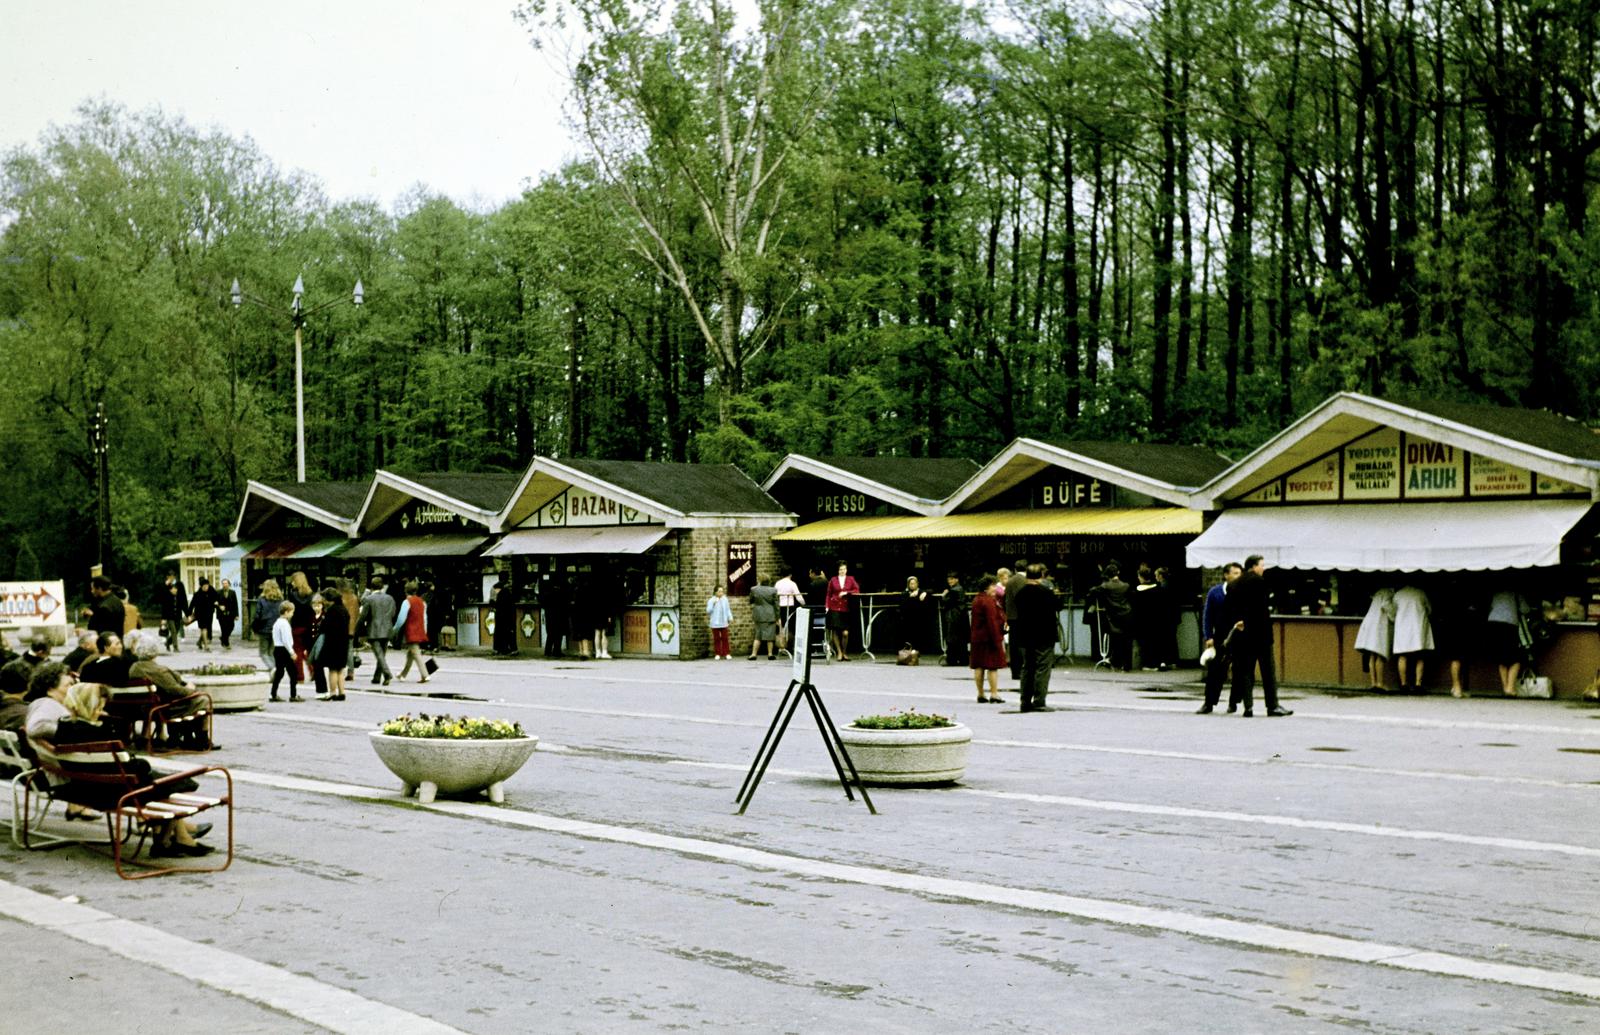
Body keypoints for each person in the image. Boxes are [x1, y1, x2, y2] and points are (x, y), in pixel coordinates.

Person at [46, 681, 214, 856]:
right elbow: (136, 766)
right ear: (88, 705)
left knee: (167, 782)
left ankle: (175, 839)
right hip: (117, 793)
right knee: (177, 783)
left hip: (88, 788)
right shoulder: (96, 733)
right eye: (98, 707)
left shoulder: (64, 728)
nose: (100, 711)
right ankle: (169, 841)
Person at [23, 663, 101, 821]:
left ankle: (76, 806)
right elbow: (34, 728)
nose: (72, 688)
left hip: (55, 770)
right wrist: (69, 731)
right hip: (59, 776)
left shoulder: (51, 705)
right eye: (68, 685)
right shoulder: (47, 705)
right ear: (50, 689)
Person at [1228, 554, 1292, 717]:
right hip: (1261, 635)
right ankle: (1272, 705)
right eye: (1261, 565)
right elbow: (1263, 610)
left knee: (1246, 672)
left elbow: (1229, 610)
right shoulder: (1260, 583)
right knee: (1268, 672)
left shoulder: (1234, 585)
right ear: (1253, 567)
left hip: (1244, 635)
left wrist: (1240, 622)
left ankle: (1248, 707)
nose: (1263, 568)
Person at [1010, 564, 1058, 712]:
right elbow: (1058, 606)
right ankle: (1039, 701)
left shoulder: (1020, 593)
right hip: (1044, 635)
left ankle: (1025, 701)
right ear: (1041, 576)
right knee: (1043, 668)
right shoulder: (1046, 592)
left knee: (1027, 667)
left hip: (1024, 635)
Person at [1196, 563, 1242, 714]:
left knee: (1239, 670)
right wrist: (1208, 636)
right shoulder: (1215, 593)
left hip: (1239, 634)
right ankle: (1209, 702)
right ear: (1226, 575)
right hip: (1221, 635)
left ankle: (1233, 702)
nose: (1237, 576)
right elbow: (1207, 615)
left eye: (1239, 573)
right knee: (1216, 670)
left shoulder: (1243, 592)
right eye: (1234, 573)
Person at [1485, 588, 1532, 697]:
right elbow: (1525, 610)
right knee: (1516, 658)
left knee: (1502, 658)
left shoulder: (1496, 592)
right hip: (1509, 625)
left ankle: (1505, 687)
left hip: (1492, 624)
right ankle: (1510, 688)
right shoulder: (1516, 593)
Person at [969, 575, 1007, 704]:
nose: (996, 588)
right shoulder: (989, 601)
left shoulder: (977, 599)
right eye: (993, 585)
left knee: (979, 666)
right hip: (989, 638)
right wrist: (997, 639)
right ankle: (994, 693)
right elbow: (992, 621)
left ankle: (980, 694)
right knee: (992, 667)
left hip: (977, 637)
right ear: (987, 587)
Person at [1090, 563, 1133, 671]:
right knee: (1127, 640)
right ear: (1118, 573)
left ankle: (1116, 661)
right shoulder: (1126, 586)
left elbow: (1092, 591)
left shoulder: (1106, 586)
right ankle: (1127, 665)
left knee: (1116, 639)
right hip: (1127, 613)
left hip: (1114, 615)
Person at [1391, 585, 1433, 690]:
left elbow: (1393, 612)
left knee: (1402, 656)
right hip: (1418, 628)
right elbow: (1429, 609)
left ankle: (1403, 684)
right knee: (1420, 656)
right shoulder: (1421, 593)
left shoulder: (1398, 594)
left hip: (1402, 629)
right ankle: (1418, 684)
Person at [1354, 587, 1396, 691]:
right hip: (1379, 625)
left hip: (1370, 623)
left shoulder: (1377, 593)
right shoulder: (1388, 592)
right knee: (1380, 655)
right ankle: (1380, 684)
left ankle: (1373, 683)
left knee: (1372, 655)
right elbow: (1386, 605)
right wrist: (1394, 615)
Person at [359, 575, 397, 685]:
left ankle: (387, 673)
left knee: (379, 654)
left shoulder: (368, 599)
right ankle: (377, 677)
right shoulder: (390, 598)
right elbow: (393, 613)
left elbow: (363, 616)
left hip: (374, 629)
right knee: (382, 655)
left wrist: (358, 629)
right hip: (387, 628)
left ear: (371, 587)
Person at [315, 588, 351, 701]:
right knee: (341, 669)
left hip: (333, 642)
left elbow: (324, 627)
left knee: (333, 670)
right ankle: (342, 692)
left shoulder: (332, 611)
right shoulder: (344, 610)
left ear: (329, 599)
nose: (323, 602)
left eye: (324, 599)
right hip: (344, 642)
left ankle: (332, 692)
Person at [394, 582, 431, 683]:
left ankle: (425, 675)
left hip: (411, 630)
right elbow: (425, 618)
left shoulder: (406, 602)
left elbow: (401, 619)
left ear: (405, 591)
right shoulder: (423, 602)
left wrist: (395, 629)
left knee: (415, 653)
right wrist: (425, 630)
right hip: (420, 629)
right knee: (410, 654)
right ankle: (403, 674)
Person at [825, 562, 860, 661]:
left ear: (846, 570)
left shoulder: (851, 579)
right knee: (835, 631)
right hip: (834, 607)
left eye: (844, 569)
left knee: (845, 633)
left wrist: (846, 592)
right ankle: (839, 653)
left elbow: (857, 590)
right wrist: (827, 606)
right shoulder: (833, 580)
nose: (842, 571)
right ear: (838, 570)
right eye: (840, 569)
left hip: (846, 608)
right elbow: (828, 594)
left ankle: (844, 652)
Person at [268, 601, 301, 702]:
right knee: (293, 673)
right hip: (284, 650)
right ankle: (293, 695)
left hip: (277, 649)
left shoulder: (277, 623)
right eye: (292, 612)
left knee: (279, 673)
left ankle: (273, 694)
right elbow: (286, 640)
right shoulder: (285, 624)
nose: (293, 614)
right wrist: (292, 652)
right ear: (286, 612)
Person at [286, 571, 316, 681]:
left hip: (297, 626)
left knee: (297, 651)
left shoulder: (292, 595)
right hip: (308, 626)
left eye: (293, 581)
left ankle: (300, 676)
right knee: (307, 650)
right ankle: (313, 670)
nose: (292, 583)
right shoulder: (312, 595)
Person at [1003, 560, 1028, 682]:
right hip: (1022, 616)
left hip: (1012, 616)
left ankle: (1015, 671)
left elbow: (1005, 599)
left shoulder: (1010, 581)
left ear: (1015, 569)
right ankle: (1022, 669)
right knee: (1023, 644)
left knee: (1013, 644)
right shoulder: (1025, 581)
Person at [253, 579, 285, 670]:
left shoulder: (262, 600)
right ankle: (275, 669)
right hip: (277, 629)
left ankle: (273, 668)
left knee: (263, 652)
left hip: (264, 629)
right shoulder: (281, 600)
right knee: (271, 652)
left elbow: (257, 615)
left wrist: (255, 628)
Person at [940, 572, 969, 666]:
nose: (950, 581)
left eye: (952, 579)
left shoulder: (953, 590)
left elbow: (947, 602)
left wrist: (943, 596)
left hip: (953, 616)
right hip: (961, 616)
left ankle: (952, 660)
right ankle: (963, 660)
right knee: (961, 640)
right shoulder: (960, 588)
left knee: (952, 639)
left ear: (957, 579)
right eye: (949, 579)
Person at [900, 576, 934, 655]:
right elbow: (902, 605)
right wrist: (910, 597)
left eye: (914, 583)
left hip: (919, 617)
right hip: (908, 618)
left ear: (917, 584)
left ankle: (917, 651)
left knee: (918, 635)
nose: (912, 585)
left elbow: (931, 591)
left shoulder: (921, 591)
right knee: (908, 635)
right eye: (911, 584)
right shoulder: (905, 593)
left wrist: (924, 593)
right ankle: (909, 652)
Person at [747, 576, 779, 660]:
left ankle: (753, 654)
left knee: (758, 635)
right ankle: (770, 654)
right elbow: (776, 605)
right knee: (770, 636)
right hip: (770, 614)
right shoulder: (773, 590)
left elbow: (750, 600)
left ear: (760, 581)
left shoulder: (754, 589)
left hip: (758, 615)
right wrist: (778, 617)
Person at [774, 569, 803, 652]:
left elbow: (775, 595)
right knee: (791, 627)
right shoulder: (792, 584)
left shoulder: (778, 583)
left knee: (781, 626)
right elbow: (798, 596)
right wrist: (804, 604)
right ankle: (790, 646)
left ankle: (781, 645)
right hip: (790, 606)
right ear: (790, 574)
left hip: (780, 606)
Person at [189, 577, 218, 651]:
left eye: (207, 586)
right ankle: (206, 646)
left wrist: (216, 603)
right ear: (201, 586)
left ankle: (199, 642)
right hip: (200, 615)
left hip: (209, 614)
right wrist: (189, 615)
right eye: (204, 586)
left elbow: (217, 598)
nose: (206, 587)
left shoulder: (211, 591)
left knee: (206, 629)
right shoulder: (197, 594)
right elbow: (192, 605)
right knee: (204, 629)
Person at [159, 577, 187, 652]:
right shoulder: (167, 596)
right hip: (169, 617)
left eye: (176, 589)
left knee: (177, 631)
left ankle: (168, 642)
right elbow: (164, 609)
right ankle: (175, 647)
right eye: (174, 589)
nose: (175, 590)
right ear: (171, 590)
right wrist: (163, 619)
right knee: (173, 631)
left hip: (177, 616)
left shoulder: (179, 596)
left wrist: (187, 614)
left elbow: (183, 606)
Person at [492, 579, 518, 657]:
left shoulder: (500, 595)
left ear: (498, 589)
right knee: (509, 634)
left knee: (501, 634)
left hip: (502, 618)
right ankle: (512, 649)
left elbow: (499, 606)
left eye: (495, 590)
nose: (495, 591)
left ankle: (502, 649)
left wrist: (493, 604)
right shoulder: (508, 594)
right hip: (509, 618)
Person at [706, 585, 733, 660]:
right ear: (715, 592)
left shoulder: (725, 599)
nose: (721, 593)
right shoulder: (711, 600)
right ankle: (717, 653)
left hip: (723, 621)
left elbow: (728, 610)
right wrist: (713, 604)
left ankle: (726, 653)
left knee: (725, 638)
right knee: (717, 638)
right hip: (715, 622)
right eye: (719, 591)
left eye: (722, 591)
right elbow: (708, 611)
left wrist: (730, 617)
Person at [216, 579, 240, 650]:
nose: (224, 585)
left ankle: (223, 638)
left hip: (230, 614)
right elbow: (215, 602)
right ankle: (226, 643)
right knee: (224, 629)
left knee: (231, 627)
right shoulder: (218, 592)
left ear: (229, 584)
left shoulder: (232, 592)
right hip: (221, 614)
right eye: (223, 583)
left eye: (226, 583)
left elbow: (235, 604)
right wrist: (219, 606)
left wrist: (236, 615)